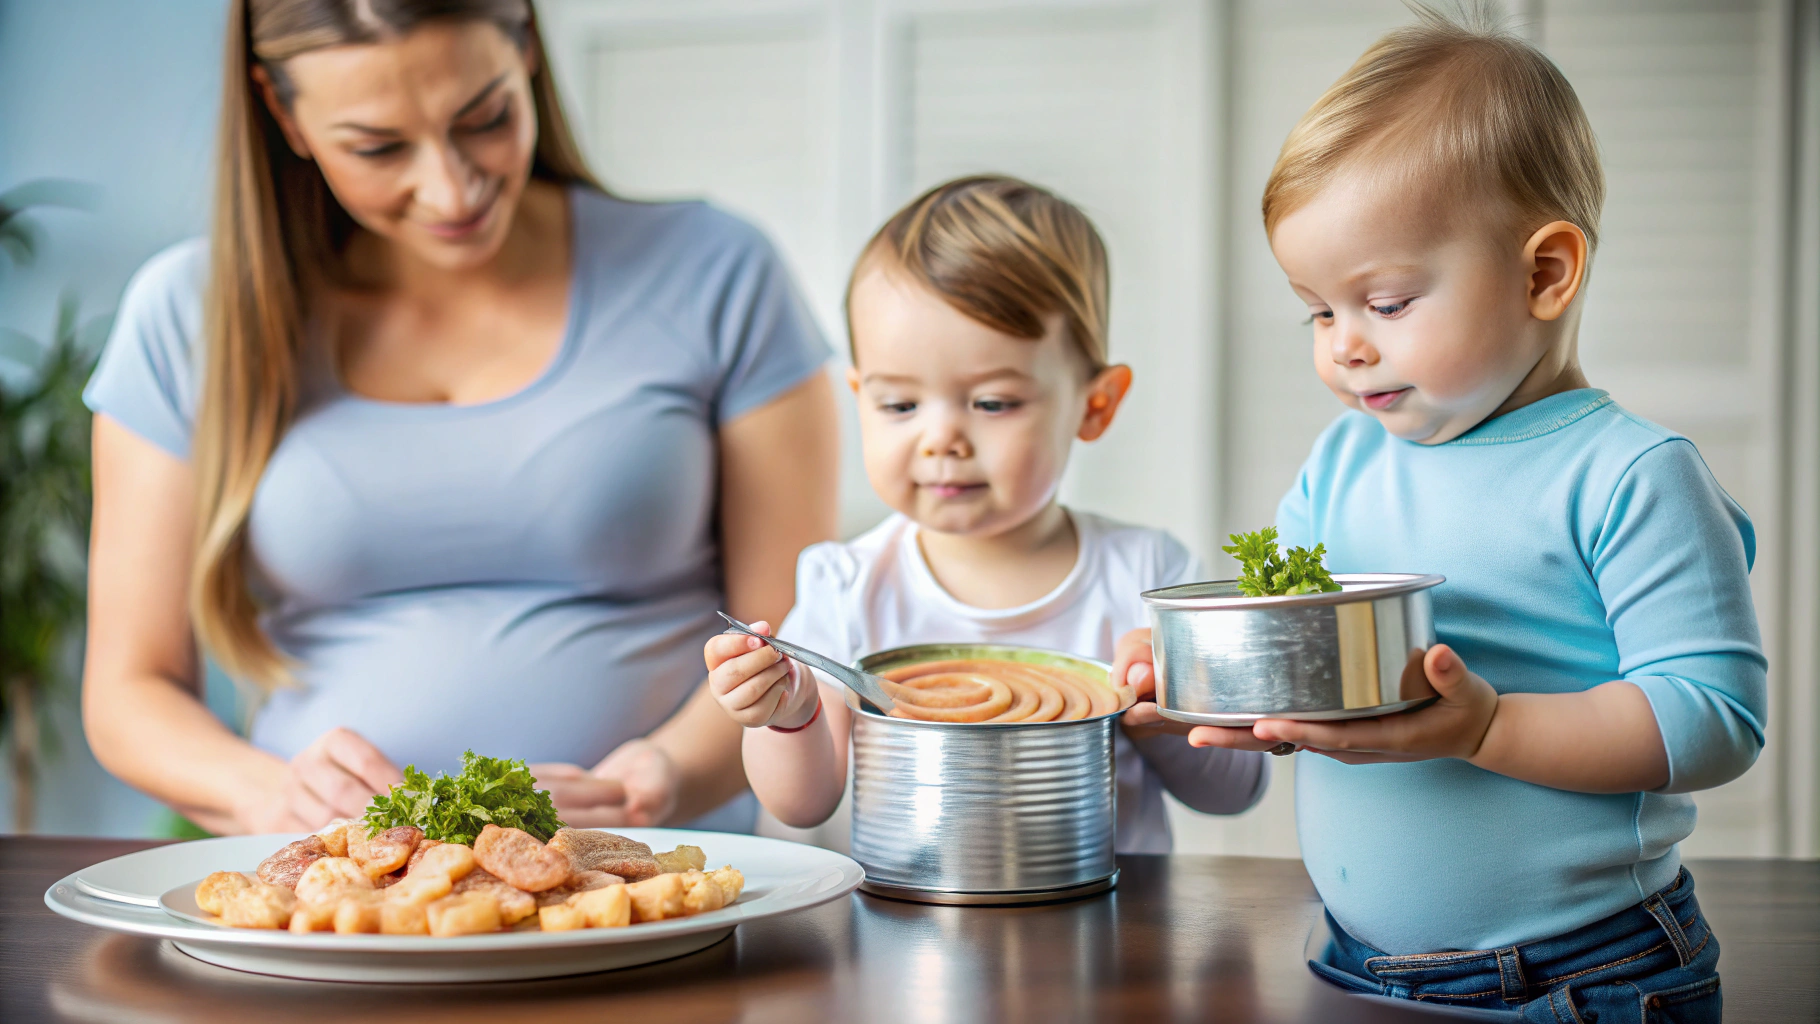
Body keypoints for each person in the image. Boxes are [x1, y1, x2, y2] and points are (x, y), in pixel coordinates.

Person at [1113, 10, 1762, 1021]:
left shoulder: (1629, 472)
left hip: (1581, 974)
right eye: (1318, 310)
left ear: (1542, 273)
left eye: (1384, 301)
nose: (1342, 346)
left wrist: (1485, 728)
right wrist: (1220, 683)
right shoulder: (1339, 462)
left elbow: (1713, 719)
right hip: (1353, 961)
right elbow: (1314, 668)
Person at [80, 0, 838, 836]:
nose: (451, 187)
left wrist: (668, 776)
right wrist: (269, 794)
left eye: (484, 119)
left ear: (526, 52)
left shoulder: (717, 271)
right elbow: (129, 692)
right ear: (282, 111)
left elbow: (796, 631)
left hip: (653, 881)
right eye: (377, 147)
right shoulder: (188, 315)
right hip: (340, 906)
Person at [703, 176, 1268, 853]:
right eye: (900, 406)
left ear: (1095, 405)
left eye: (993, 403)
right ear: (859, 397)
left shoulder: (1148, 577)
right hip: (899, 934)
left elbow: (1234, 790)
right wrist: (786, 716)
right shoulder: (847, 585)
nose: (942, 439)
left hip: (1109, 939)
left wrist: (1163, 714)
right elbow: (802, 805)